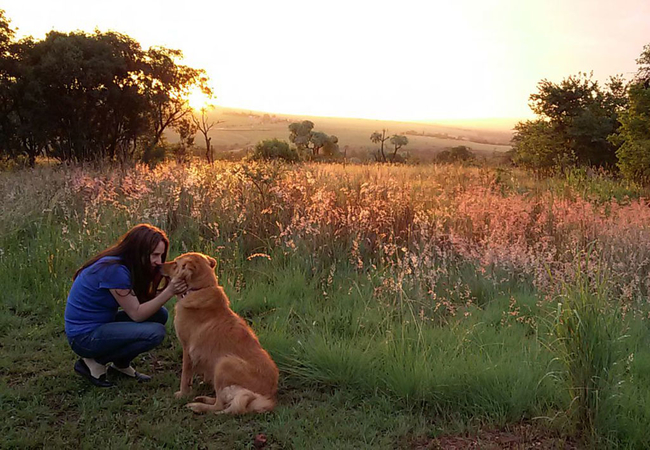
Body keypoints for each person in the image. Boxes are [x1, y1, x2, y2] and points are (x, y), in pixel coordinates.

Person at [64, 223, 187, 387]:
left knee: (160, 314)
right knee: (155, 332)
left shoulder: (124, 264)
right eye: (154, 255)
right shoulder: (115, 270)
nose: (158, 262)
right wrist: (169, 291)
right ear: (138, 250)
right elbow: (136, 314)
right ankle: (94, 362)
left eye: (161, 255)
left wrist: (172, 290)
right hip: (83, 336)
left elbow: (142, 301)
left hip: (101, 323)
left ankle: (120, 365)